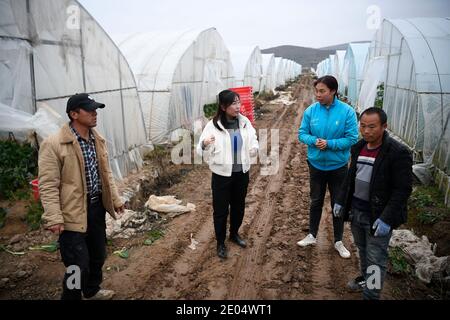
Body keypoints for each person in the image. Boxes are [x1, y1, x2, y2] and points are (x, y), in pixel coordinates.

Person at [38, 93, 125, 300]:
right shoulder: (54, 144)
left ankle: (92, 291)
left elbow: (106, 175)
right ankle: (71, 298)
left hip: (96, 209)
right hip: (71, 213)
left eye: (96, 109)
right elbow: (48, 185)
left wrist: (115, 199)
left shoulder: (97, 140)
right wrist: (54, 216)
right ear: (74, 114)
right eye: (90, 110)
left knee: (98, 257)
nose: (95, 114)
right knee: (77, 266)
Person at [334, 107, 412, 300]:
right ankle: (365, 280)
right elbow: (350, 178)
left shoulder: (397, 152)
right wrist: (341, 201)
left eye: (372, 127)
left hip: (377, 215)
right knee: (363, 250)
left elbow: (402, 190)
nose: (366, 131)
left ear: (384, 127)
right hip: (357, 212)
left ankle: (371, 295)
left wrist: (386, 218)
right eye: (363, 126)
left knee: (376, 259)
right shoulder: (359, 147)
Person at [297, 75, 358, 258]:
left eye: (322, 91)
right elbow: (302, 134)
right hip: (316, 164)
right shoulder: (311, 111)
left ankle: (339, 241)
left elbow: (352, 138)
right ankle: (311, 235)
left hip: (338, 166)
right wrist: (315, 141)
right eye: (316, 91)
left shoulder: (347, 112)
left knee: (338, 204)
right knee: (316, 200)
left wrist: (330, 144)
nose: (318, 94)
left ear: (333, 91)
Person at [196, 90, 259, 259]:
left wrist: (254, 148)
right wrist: (205, 144)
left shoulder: (244, 122)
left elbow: (253, 139)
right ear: (223, 107)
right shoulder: (213, 125)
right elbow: (199, 149)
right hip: (221, 175)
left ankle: (234, 234)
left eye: (239, 102)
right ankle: (220, 242)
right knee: (221, 210)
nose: (238, 106)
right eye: (233, 103)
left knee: (238, 206)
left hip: (241, 173)